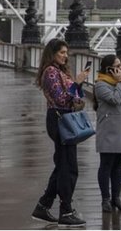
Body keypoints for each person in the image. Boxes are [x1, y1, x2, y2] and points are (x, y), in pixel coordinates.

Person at [32, 39, 90, 228]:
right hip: (59, 119)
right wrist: (77, 83)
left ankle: (44, 205)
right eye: (62, 52)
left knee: (62, 166)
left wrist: (77, 86)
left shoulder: (60, 71)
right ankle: (66, 210)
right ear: (52, 53)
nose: (66, 56)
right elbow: (62, 99)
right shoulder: (50, 72)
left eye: (66, 52)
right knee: (69, 168)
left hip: (63, 118)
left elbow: (74, 98)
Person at [94, 54, 121, 213]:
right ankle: (105, 199)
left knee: (118, 166)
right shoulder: (100, 84)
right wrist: (119, 83)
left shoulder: (120, 82)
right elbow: (115, 99)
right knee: (106, 165)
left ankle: (116, 198)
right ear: (108, 68)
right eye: (117, 65)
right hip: (109, 130)